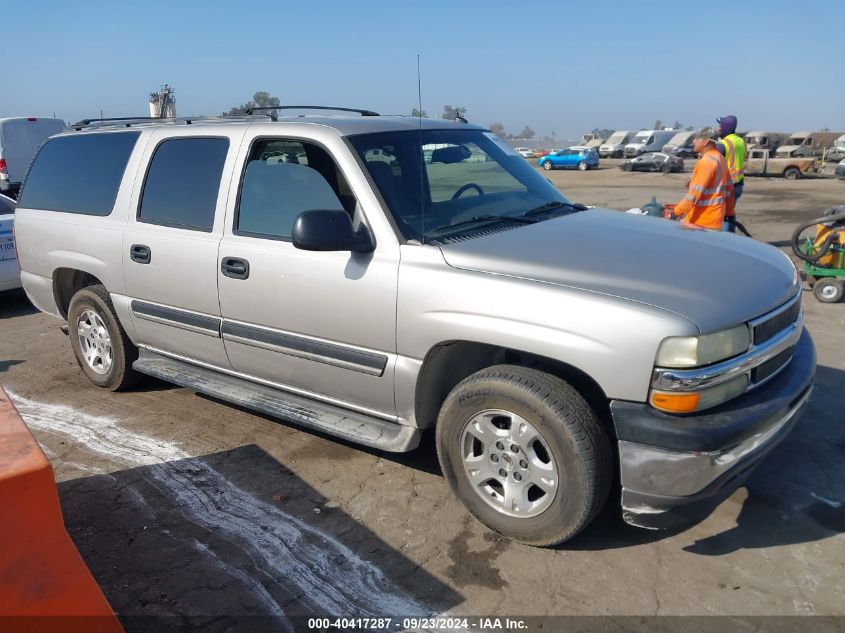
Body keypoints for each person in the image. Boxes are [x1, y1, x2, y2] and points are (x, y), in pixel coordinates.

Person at [666, 128, 733, 230]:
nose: (694, 141)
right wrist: (729, 212)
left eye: (697, 139)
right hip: (715, 218)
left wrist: (676, 212)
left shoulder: (706, 162)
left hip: (702, 220)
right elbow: (728, 190)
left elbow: (693, 195)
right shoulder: (720, 159)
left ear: (705, 141)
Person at [716, 115, 747, 234]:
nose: (719, 128)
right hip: (739, 184)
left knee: (723, 214)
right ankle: (731, 236)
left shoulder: (723, 144)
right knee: (730, 212)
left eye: (721, 125)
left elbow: (713, 162)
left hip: (727, 186)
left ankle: (726, 239)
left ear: (726, 127)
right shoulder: (741, 141)